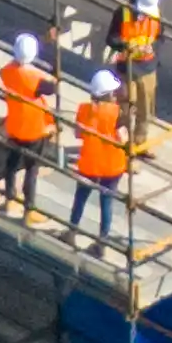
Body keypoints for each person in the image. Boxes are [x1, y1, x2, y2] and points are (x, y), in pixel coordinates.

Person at [65, 74, 136, 237]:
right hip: (112, 166)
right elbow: (122, 139)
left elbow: (77, 134)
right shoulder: (118, 113)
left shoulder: (83, 109)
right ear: (108, 94)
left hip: (89, 163)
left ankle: (71, 232)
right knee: (106, 203)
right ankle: (102, 242)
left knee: (80, 199)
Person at [0, 36, 58, 190]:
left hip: (15, 127)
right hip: (35, 130)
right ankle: (29, 205)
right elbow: (52, 88)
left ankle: (9, 195)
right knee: (31, 168)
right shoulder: (36, 78)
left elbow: (11, 67)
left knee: (11, 164)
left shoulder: (7, 72)